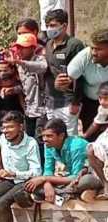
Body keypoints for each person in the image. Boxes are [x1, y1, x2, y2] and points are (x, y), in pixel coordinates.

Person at [0, 111, 42, 222]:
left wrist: (15, 173)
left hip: (23, 180)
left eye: (10, 127)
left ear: (21, 127)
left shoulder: (31, 144)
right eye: (3, 128)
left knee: (3, 202)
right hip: (7, 179)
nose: (6, 131)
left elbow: (37, 171)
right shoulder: (2, 139)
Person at [28, 118, 103, 202]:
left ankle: (62, 195)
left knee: (86, 181)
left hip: (93, 176)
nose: (45, 139)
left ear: (61, 136)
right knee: (33, 186)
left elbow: (75, 177)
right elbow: (48, 170)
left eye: (49, 136)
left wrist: (44, 179)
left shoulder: (77, 146)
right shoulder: (48, 145)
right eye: (43, 136)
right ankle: (66, 195)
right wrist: (47, 184)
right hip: (69, 179)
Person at [44, 8, 85, 137]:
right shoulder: (49, 45)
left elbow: (82, 76)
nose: (49, 29)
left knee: (69, 136)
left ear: (64, 25)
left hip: (68, 102)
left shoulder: (74, 45)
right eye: (47, 26)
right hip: (51, 101)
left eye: (53, 25)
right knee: (52, 136)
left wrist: (75, 102)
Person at [65, 28, 108, 133]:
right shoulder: (85, 57)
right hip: (90, 104)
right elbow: (69, 79)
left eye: (98, 49)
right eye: (92, 48)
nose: (93, 52)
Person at [8, 33, 48, 140]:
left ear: (32, 48)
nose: (19, 50)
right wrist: (12, 90)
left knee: (41, 139)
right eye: (18, 48)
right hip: (29, 110)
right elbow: (24, 86)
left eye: (23, 48)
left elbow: (43, 67)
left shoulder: (39, 59)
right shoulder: (19, 64)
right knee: (29, 139)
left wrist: (20, 62)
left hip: (42, 109)